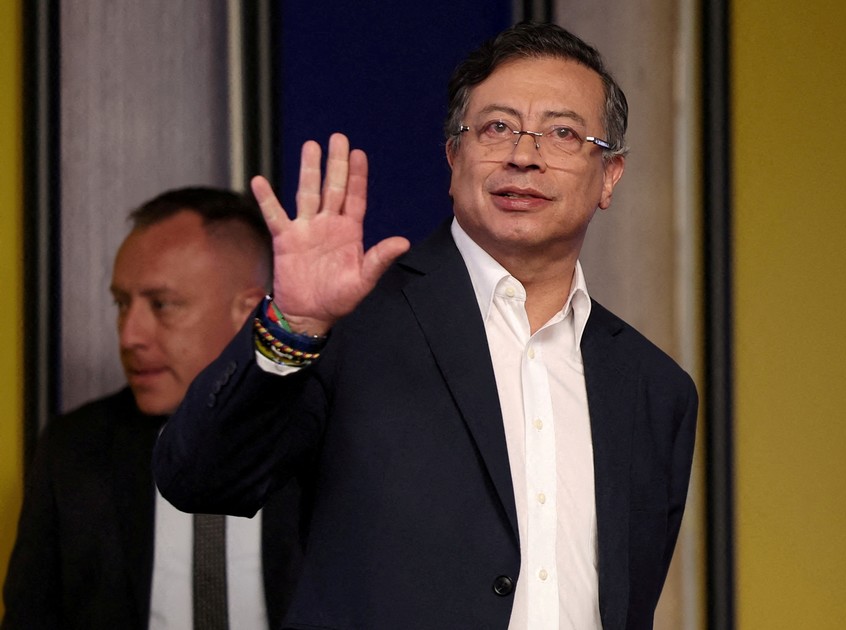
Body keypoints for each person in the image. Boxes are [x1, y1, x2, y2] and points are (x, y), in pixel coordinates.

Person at [154, 22, 697, 629]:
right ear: (453, 156)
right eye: (497, 128)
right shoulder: (349, 327)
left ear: (610, 176)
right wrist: (293, 325)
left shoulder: (655, 390)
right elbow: (199, 480)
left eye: (563, 133)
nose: (524, 155)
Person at [2, 188, 304, 629]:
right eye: (122, 304)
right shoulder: (74, 450)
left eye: (162, 305)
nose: (130, 336)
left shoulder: (326, 440)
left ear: (246, 313)